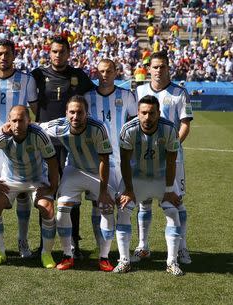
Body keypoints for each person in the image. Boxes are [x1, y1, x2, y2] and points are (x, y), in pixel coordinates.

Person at [31, 35, 95, 259]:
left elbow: (95, 95)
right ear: (49, 53)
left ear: (69, 53)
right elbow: (31, 102)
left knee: (72, 194)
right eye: (55, 51)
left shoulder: (78, 76)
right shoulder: (38, 75)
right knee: (47, 192)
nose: (58, 55)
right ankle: (43, 244)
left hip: (72, 145)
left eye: (62, 51)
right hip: (47, 144)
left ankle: (75, 245)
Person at [0, 39, 38, 259]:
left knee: (22, 193)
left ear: (14, 56)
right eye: (0, 53)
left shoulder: (26, 80)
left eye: (7, 54)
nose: (3, 57)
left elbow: (34, 110)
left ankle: (23, 241)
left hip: (18, 144)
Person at [39, 95, 116, 271]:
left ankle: (104, 257)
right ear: (66, 113)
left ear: (86, 114)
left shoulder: (97, 128)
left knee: (106, 207)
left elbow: (104, 159)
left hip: (98, 171)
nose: (75, 116)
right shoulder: (58, 126)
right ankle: (68, 255)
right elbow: (36, 127)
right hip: (74, 170)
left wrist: (103, 192)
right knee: (62, 208)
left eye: (79, 112)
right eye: (72, 112)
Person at [114, 95, 184, 276]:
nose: (147, 117)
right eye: (143, 113)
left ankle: (172, 262)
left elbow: (171, 162)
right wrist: (128, 190)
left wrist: (169, 191)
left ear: (158, 113)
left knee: (173, 211)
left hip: (162, 178)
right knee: (123, 209)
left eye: (152, 113)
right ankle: (124, 260)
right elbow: (125, 161)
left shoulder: (169, 129)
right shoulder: (128, 129)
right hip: (137, 178)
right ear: (137, 113)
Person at [0, 105, 59, 268]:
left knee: (48, 208)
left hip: (36, 180)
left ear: (29, 121)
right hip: (10, 180)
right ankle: (0, 252)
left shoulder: (39, 134)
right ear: (9, 121)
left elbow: (52, 161)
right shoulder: (1, 135)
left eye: (21, 120)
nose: (17, 125)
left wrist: (52, 188)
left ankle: (46, 254)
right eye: (14, 120)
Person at [134, 51, 193, 265]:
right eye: (155, 67)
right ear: (149, 69)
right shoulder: (139, 90)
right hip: (145, 157)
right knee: (144, 202)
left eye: (163, 67)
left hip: (171, 157)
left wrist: (172, 146)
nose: (159, 70)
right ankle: (143, 246)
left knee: (176, 201)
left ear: (169, 68)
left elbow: (185, 124)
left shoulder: (179, 93)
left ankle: (182, 248)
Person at [83, 59, 137, 271]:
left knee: (124, 207)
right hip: (97, 163)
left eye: (109, 71)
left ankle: (124, 255)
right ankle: (102, 251)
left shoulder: (126, 96)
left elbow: (135, 126)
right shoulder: (88, 98)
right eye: (101, 71)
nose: (104, 75)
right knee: (99, 206)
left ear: (116, 72)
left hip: (123, 161)